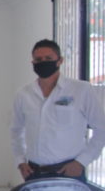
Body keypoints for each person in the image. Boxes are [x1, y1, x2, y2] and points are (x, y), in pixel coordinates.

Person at [10, 38, 105, 182]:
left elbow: (101, 129)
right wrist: (20, 161)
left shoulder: (81, 90)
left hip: (69, 172)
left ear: (60, 60)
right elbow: (16, 130)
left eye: (48, 58)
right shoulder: (24, 94)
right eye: (38, 59)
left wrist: (82, 162)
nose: (43, 62)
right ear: (33, 62)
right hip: (34, 173)